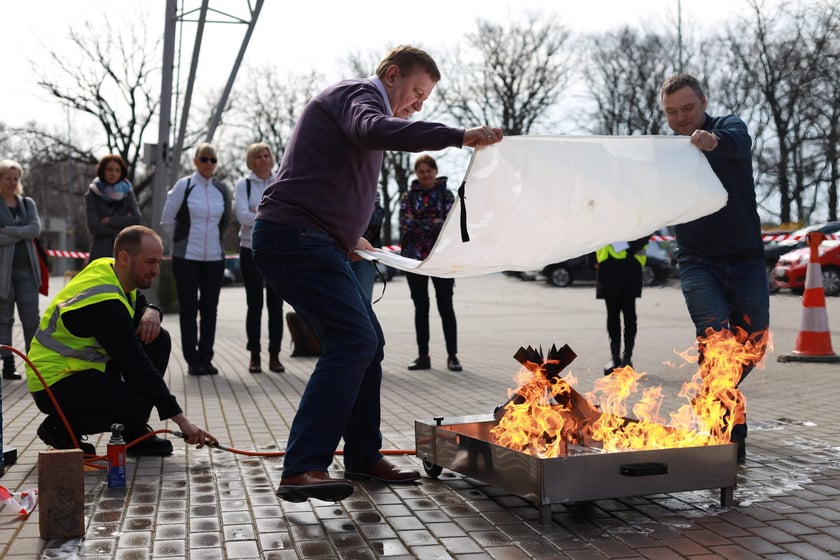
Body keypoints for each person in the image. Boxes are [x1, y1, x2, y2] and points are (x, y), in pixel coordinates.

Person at [252, 44, 503, 503]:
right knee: (353, 341)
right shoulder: (358, 96)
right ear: (391, 75)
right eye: (416, 92)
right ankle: (303, 465)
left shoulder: (358, 107)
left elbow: (331, 178)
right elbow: (372, 129)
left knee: (370, 342)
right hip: (295, 238)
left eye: (426, 100)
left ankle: (363, 455)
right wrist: (458, 136)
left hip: (318, 240)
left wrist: (351, 237)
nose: (418, 105)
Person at [25, 225, 215, 456]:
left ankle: (133, 434)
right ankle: (59, 429)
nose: (156, 270)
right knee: (136, 403)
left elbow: (138, 302)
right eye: (150, 262)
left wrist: (152, 310)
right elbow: (136, 366)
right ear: (125, 258)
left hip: (83, 370)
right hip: (55, 382)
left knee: (158, 339)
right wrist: (182, 420)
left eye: (158, 262)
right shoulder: (104, 303)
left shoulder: (108, 267)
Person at [660, 73, 769, 464]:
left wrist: (713, 142)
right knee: (716, 341)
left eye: (688, 108)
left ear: (703, 103)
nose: (681, 118)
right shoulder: (665, 150)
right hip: (697, 261)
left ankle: (712, 396)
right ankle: (727, 429)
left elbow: (739, 142)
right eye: (672, 112)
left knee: (753, 345)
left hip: (746, 260)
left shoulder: (729, 127)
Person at [160, 143, 231, 376]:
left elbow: (225, 220)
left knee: (210, 308)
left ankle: (206, 357)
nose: (209, 163)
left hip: (214, 258)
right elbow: (167, 219)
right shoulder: (185, 186)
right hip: (186, 257)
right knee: (189, 308)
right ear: (195, 161)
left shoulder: (221, 189)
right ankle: (192, 359)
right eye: (204, 159)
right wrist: (181, 242)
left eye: (213, 159)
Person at [399, 154, 462, 372]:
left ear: (435, 171)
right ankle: (422, 356)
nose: (425, 175)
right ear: (416, 174)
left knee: (446, 307)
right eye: (421, 171)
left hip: (442, 258)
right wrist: (433, 223)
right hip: (414, 259)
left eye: (428, 171)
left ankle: (452, 356)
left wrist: (422, 223)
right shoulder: (408, 196)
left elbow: (449, 224)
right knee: (421, 307)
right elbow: (405, 224)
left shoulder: (446, 195)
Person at [234, 142, 285, 374]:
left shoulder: (281, 180)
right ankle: (254, 355)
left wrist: (259, 214)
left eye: (267, 155)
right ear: (251, 161)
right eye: (258, 156)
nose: (264, 159)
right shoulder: (243, 184)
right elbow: (242, 215)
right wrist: (269, 215)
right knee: (254, 304)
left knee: (276, 304)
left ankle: (275, 355)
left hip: (277, 249)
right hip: (250, 248)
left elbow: (287, 212)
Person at [0, 159, 41, 381]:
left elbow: (35, 229)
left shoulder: (27, 203)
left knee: (32, 320)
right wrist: (20, 232)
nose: (12, 182)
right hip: (3, 274)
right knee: (4, 319)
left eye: (16, 178)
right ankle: (8, 364)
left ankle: (35, 363)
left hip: (27, 272)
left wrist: (7, 230)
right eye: (8, 178)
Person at [596, 237, 648, 375]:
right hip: (608, 267)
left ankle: (627, 358)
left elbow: (645, 233)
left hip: (630, 267)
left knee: (629, 315)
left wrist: (621, 245)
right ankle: (615, 358)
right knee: (612, 316)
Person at [84, 154, 142, 262]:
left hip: (125, 251)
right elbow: (94, 226)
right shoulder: (92, 194)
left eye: (117, 170)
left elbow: (137, 219)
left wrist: (110, 220)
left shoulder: (128, 192)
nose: (113, 173)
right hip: (101, 252)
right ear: (102, 171)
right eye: (109, 169)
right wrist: (124, 224)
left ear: (121, 173)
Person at [351, 192, 385, 300]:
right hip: (343, 252)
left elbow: (374, 220)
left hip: (365, 256)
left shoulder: (371, 189)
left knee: (363, 300)